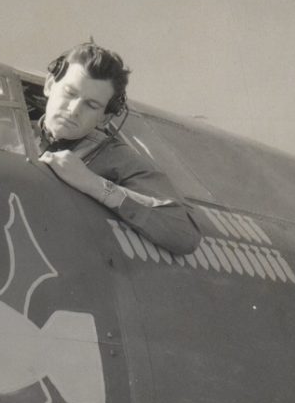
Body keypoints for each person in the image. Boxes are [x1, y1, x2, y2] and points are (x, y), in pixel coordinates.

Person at [35, 43, 202, 256]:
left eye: (91, 105)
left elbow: (184, 233)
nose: (73, 110)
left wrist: (93, 184)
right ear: (49, 85)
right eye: (69, 93)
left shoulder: (119, 159)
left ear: (105, 116)